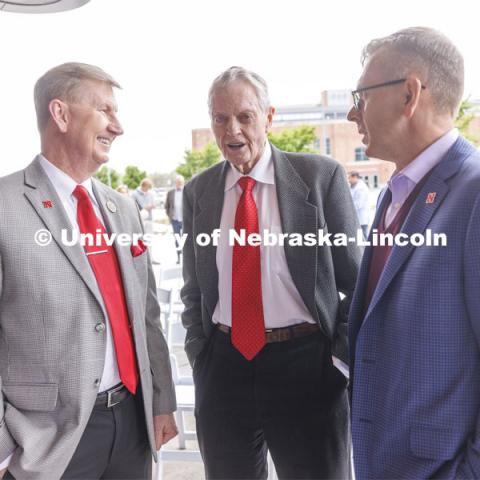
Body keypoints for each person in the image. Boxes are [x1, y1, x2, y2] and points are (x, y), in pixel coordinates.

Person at [181, 66, 361, 479]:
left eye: (245, 116)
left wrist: (339, 362)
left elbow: (357, 282)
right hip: (224, 365)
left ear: (269, 116)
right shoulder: (199, 191)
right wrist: (200, 355)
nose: (233, 129)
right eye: (220, 117)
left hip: (307, 365)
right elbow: (194, 288)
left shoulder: (320, 176)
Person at [0, 62, 177, 479]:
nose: (118, 127)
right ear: (60, 115)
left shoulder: (124, 208)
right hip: (45, 445)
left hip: (132, 425)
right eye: (105, 111)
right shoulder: (5, 206)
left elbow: (146, 315)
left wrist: (160, 400)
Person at [347, 27, 480, 479]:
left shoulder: (474, 193)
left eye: (361, 95)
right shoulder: (394, 193)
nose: (352, 112)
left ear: (409, 94)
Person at [165, 175, 185, 264]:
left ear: (183, 182)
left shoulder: (187, 191)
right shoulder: (171, 193)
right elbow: (167, 206)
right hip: (175, 220)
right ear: (175, 183)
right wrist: (170, 215)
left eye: (180, 182)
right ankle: (178, 257)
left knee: (186, 239)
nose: (179, 183)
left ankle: (186, 257)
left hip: (185, 220)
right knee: (177, 239)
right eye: (178, 182)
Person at [348, 171, 370, 238]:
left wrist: (347, 208)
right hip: (357, 218)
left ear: (355, 177)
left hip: (361, 219)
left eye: (349, 178)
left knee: (363, 238)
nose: (348, 180)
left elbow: (359, 204)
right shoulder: (354, 186)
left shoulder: (361, 188)